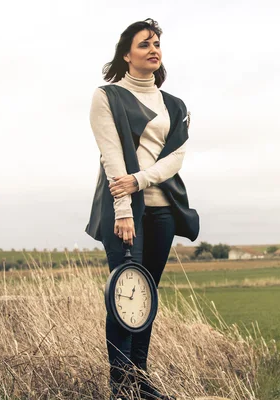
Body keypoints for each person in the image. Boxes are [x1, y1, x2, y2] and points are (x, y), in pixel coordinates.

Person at [85, 18, 199, 400]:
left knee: (146, 296)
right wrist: (123, 208)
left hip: (163, 209)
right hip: (124, 210)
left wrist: (141, 179)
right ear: (126, 54)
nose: (153, 49)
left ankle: (139, 379)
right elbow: (112, 157)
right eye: (144, 44)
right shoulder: (107, 97)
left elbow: (176, 158)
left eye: (156, 44)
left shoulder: (175, 105)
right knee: (123, 295)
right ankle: (120, 386)